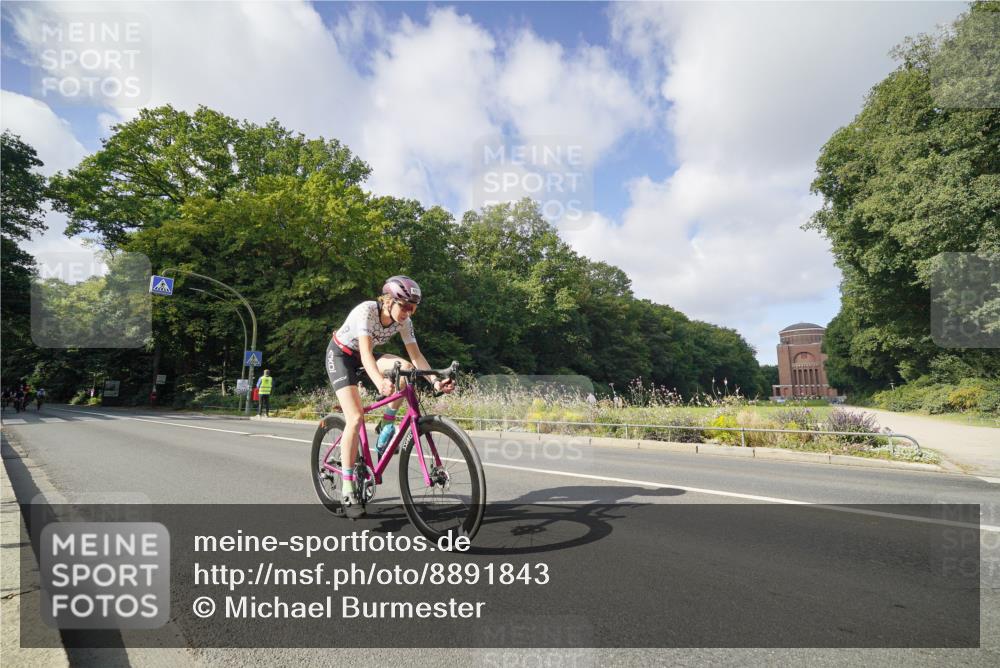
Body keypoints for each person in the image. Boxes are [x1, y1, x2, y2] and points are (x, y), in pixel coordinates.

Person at [326, 276, 455, 518]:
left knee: (406, 370)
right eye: (404, 306)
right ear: (388, 301)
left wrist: (436, 381)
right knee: (355, 418)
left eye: (413, 308)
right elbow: (365, 355)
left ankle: (385, 426)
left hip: (366, 357)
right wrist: (380, 382)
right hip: (341, 356)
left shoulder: (404, 322)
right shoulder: (366, 311)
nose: (408, 312)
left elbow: (416, 357)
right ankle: (348, 489)